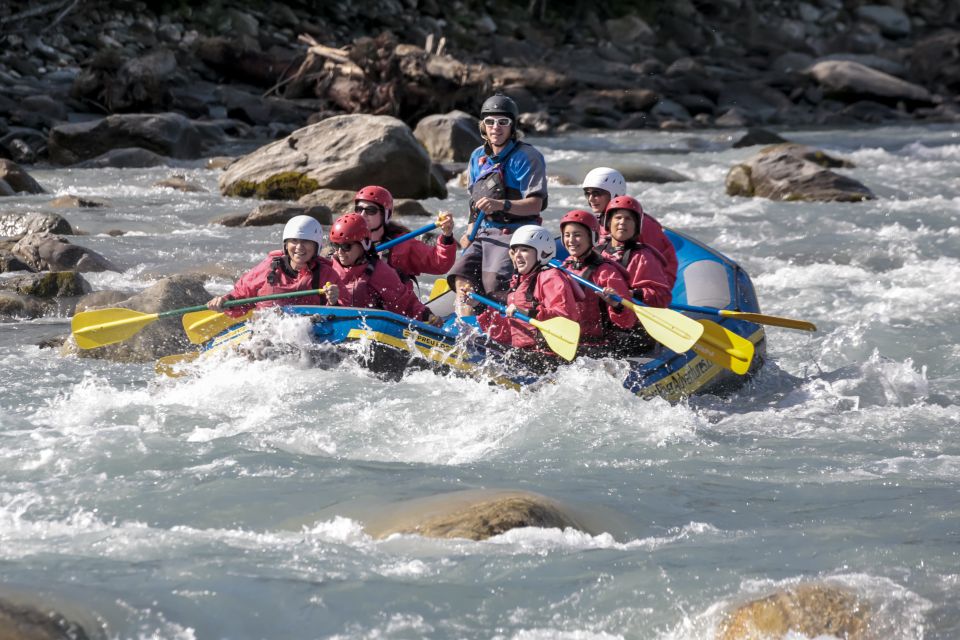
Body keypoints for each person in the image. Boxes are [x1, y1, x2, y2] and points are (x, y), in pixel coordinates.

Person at [448, 93, 548, 303]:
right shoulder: (477, 156)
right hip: (484, 231)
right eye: (490, 122)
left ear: (512, 127)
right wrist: (469, 230)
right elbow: (475, 201)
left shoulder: (528, 157)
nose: (496, 127)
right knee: (461, 277)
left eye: (503, 122)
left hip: (515, 232)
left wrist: (501, 204)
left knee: (494, 286)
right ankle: (467, 331)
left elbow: (536, 204)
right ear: (483, 126)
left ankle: (502, 328)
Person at [463, 225, 579, 373]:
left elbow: (566, 315)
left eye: (524, 250)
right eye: (515, 250)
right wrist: (479, 306)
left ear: (543, 252)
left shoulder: (550, 277)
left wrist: (528, 312)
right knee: (473, 343)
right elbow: (505, 334)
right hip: (523, 354)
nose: (517, 255)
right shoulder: (518, 285)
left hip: (546, 359)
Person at [207, 215, 340, 317]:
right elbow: (240, 298)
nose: (299, 247)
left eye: (306, 241)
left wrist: (334, 301)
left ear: (316, 246)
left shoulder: (327, 274)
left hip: (310, 334)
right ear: (286, 245)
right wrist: (224, 302)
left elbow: (342, 313)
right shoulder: (269, 268)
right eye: (294, 241)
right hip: (269, 334)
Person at [328, 212, 442, 325]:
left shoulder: (380, 272)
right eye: (336, 246)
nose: (340, 252)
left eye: (346, 246)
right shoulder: (328, 267)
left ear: (364, 244)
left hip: (369, 330)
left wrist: (427, 316)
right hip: (335, 325)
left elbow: (406, 304)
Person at [581, 166, 679, 288]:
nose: (591, 199)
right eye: (587, 194)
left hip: (642, 289)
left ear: (614, 194)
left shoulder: (644, 225)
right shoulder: (598, 222)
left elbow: (661, 269)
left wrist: (637, 294)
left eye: (597, 193)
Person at [558, 210, 636, 356]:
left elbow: (628, 321)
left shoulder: (606, 271)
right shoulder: (565, 266)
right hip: (573, 342)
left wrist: (617, 306)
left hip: (601, 345)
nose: (571, 240)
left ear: (592, 238)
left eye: (577, 235)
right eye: (567, 235)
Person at [353, 185, 456, 291]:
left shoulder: (403, 245)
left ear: (386, 214)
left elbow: (439, 264)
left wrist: (446, 236)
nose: (363, 214)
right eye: (359, 209)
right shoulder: (346, 243)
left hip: (393, 304)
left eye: (371, 210)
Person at [597, 196, 672, 309]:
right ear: (608, 223)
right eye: (618, 218)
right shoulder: (597, 252)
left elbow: (662, 297)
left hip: (627, 317)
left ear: (636, 226)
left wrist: (630, 294)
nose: (622, 222)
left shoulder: (644, 257)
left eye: (628, 219)